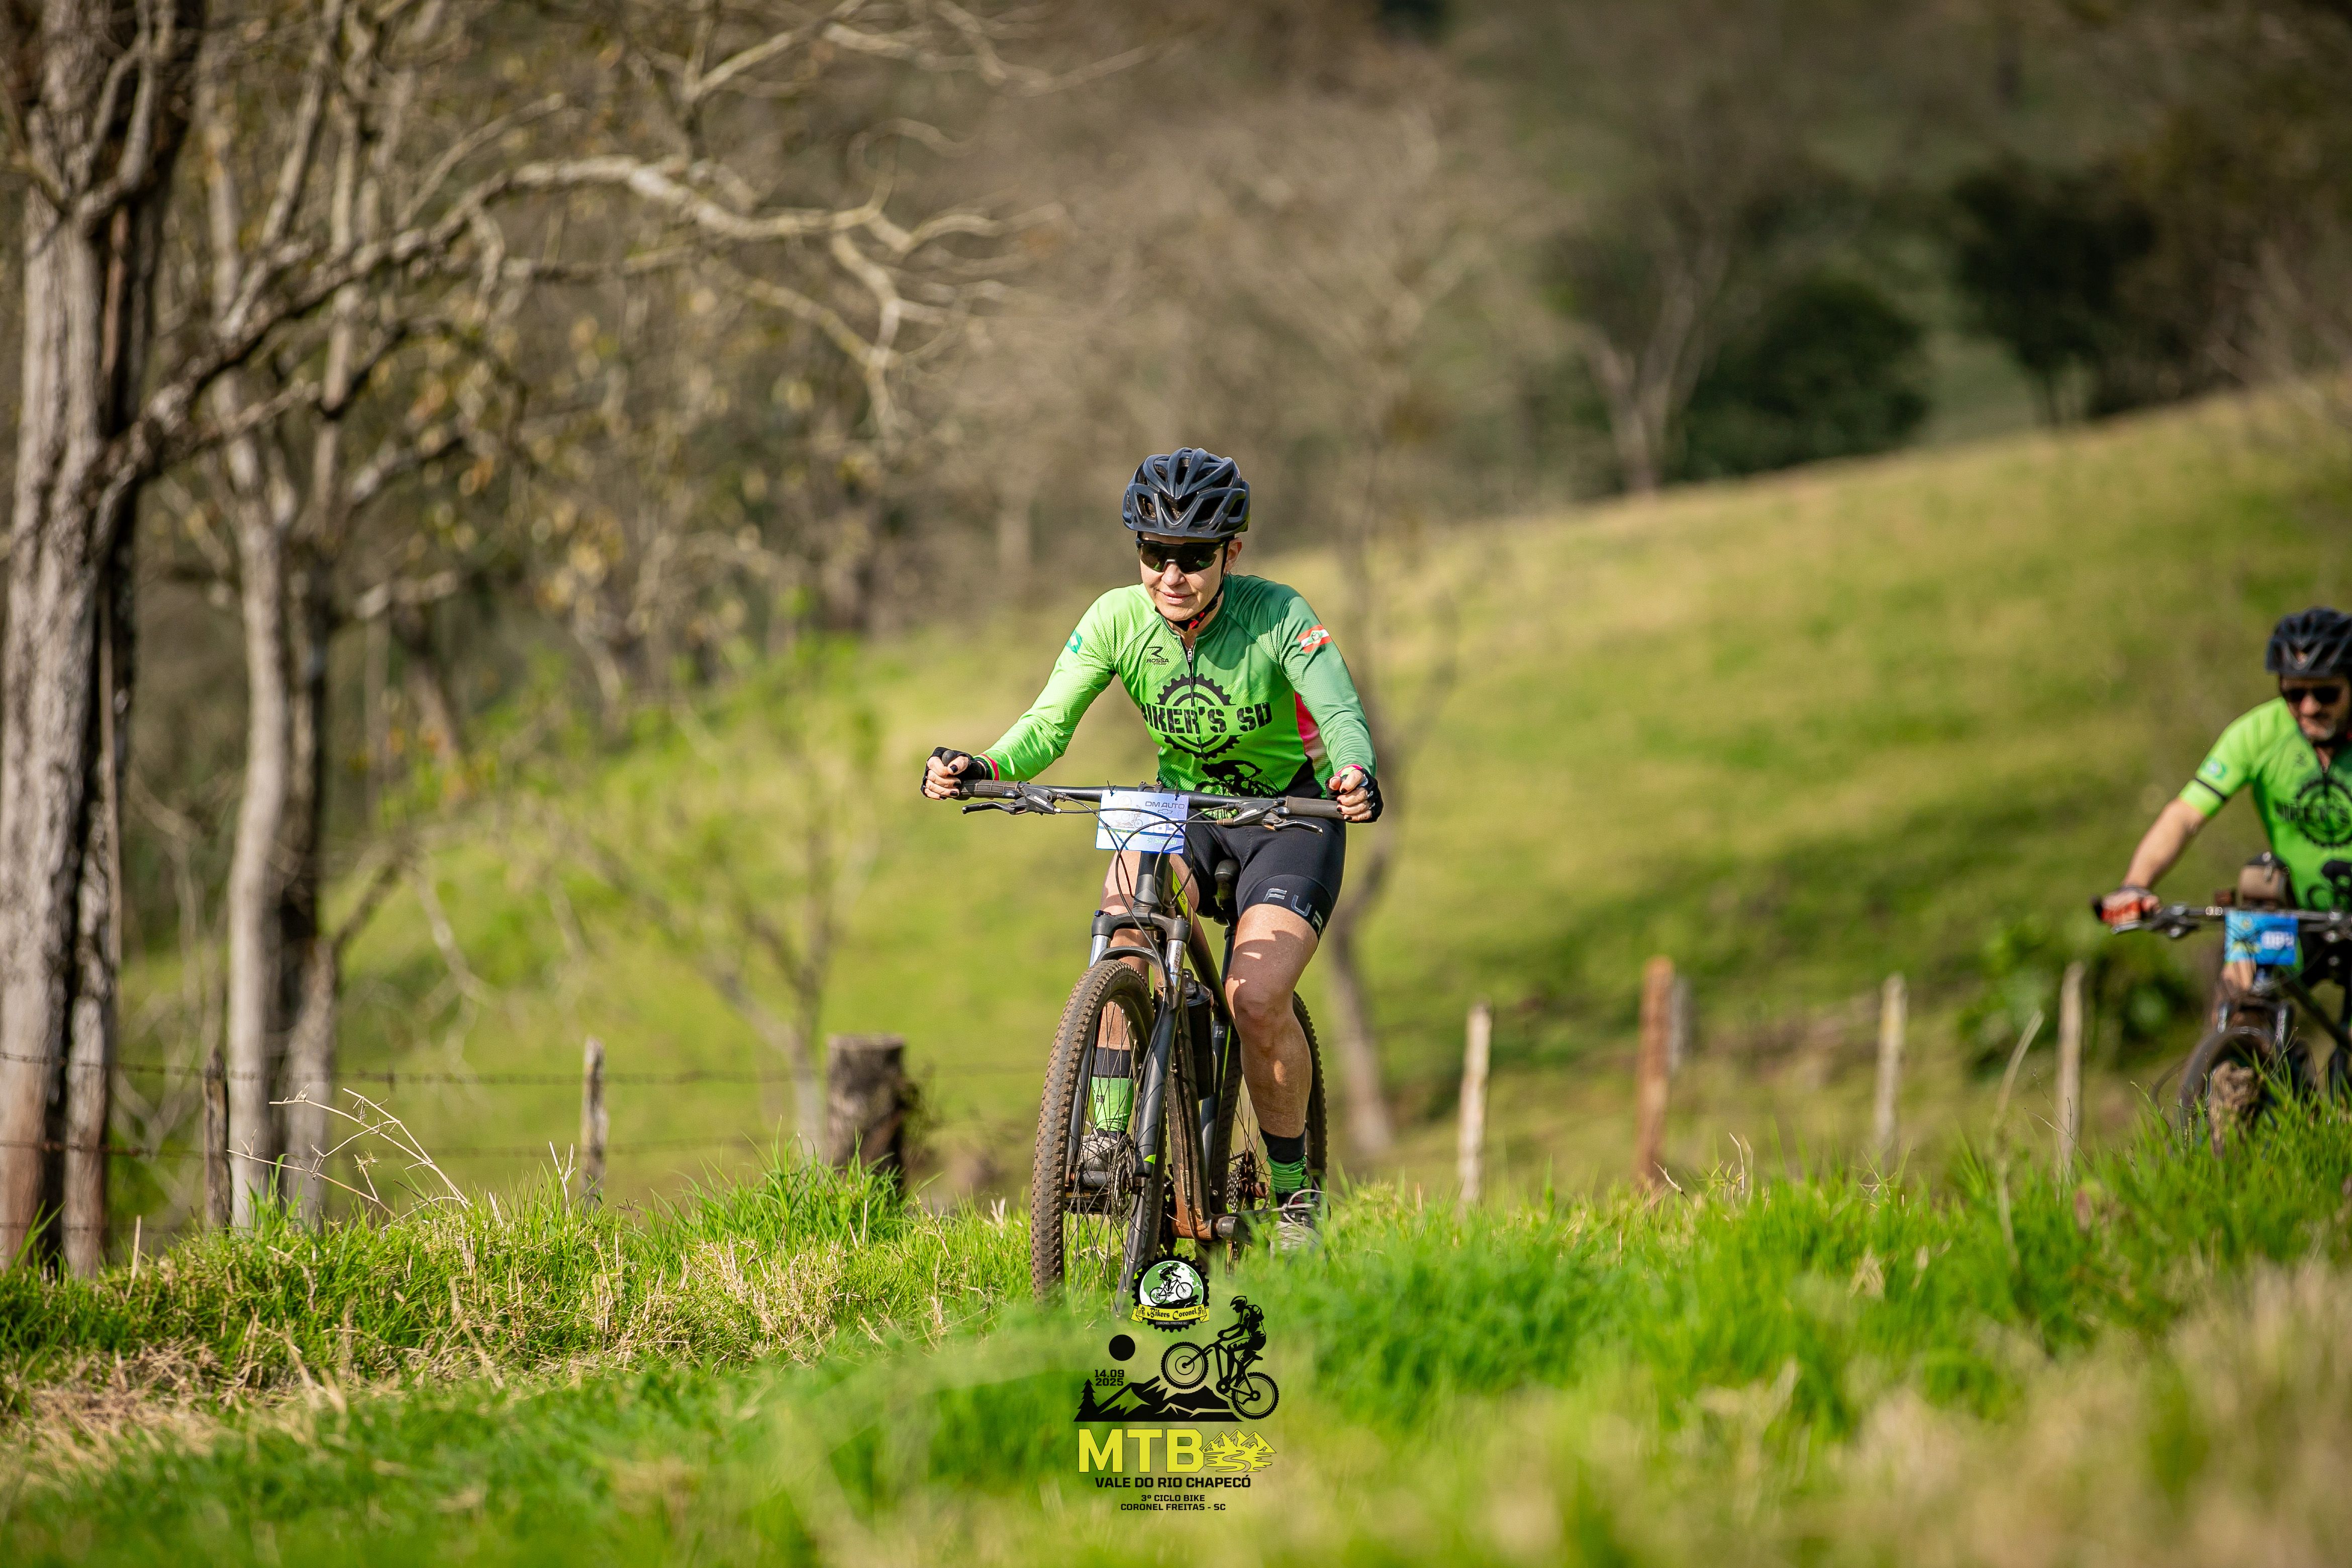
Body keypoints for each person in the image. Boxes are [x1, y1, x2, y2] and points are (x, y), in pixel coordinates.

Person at [923, 447, 1380, 1247]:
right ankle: (1107, 1141)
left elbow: (1338, 711)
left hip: (1291, 815)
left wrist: (1355, 770)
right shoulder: (1115, 618)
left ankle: (1294, 1195)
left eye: (1194, 557)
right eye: (1155, 553)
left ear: (1231, 553)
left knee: (1254, 1000)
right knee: (1123, 936)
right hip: (1180, 808)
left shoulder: (1278, 614)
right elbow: (1048, 724)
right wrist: (985, 765)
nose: (1172, 575)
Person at [2100, 610, 2352, 984]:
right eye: (2295, 694)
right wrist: (2135, 885)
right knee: (2245, 960)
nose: (2309, 707)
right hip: (2294, 913)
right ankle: (2240, 1018)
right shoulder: (2259, 733)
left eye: (2326, 693)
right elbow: (2185, 816)